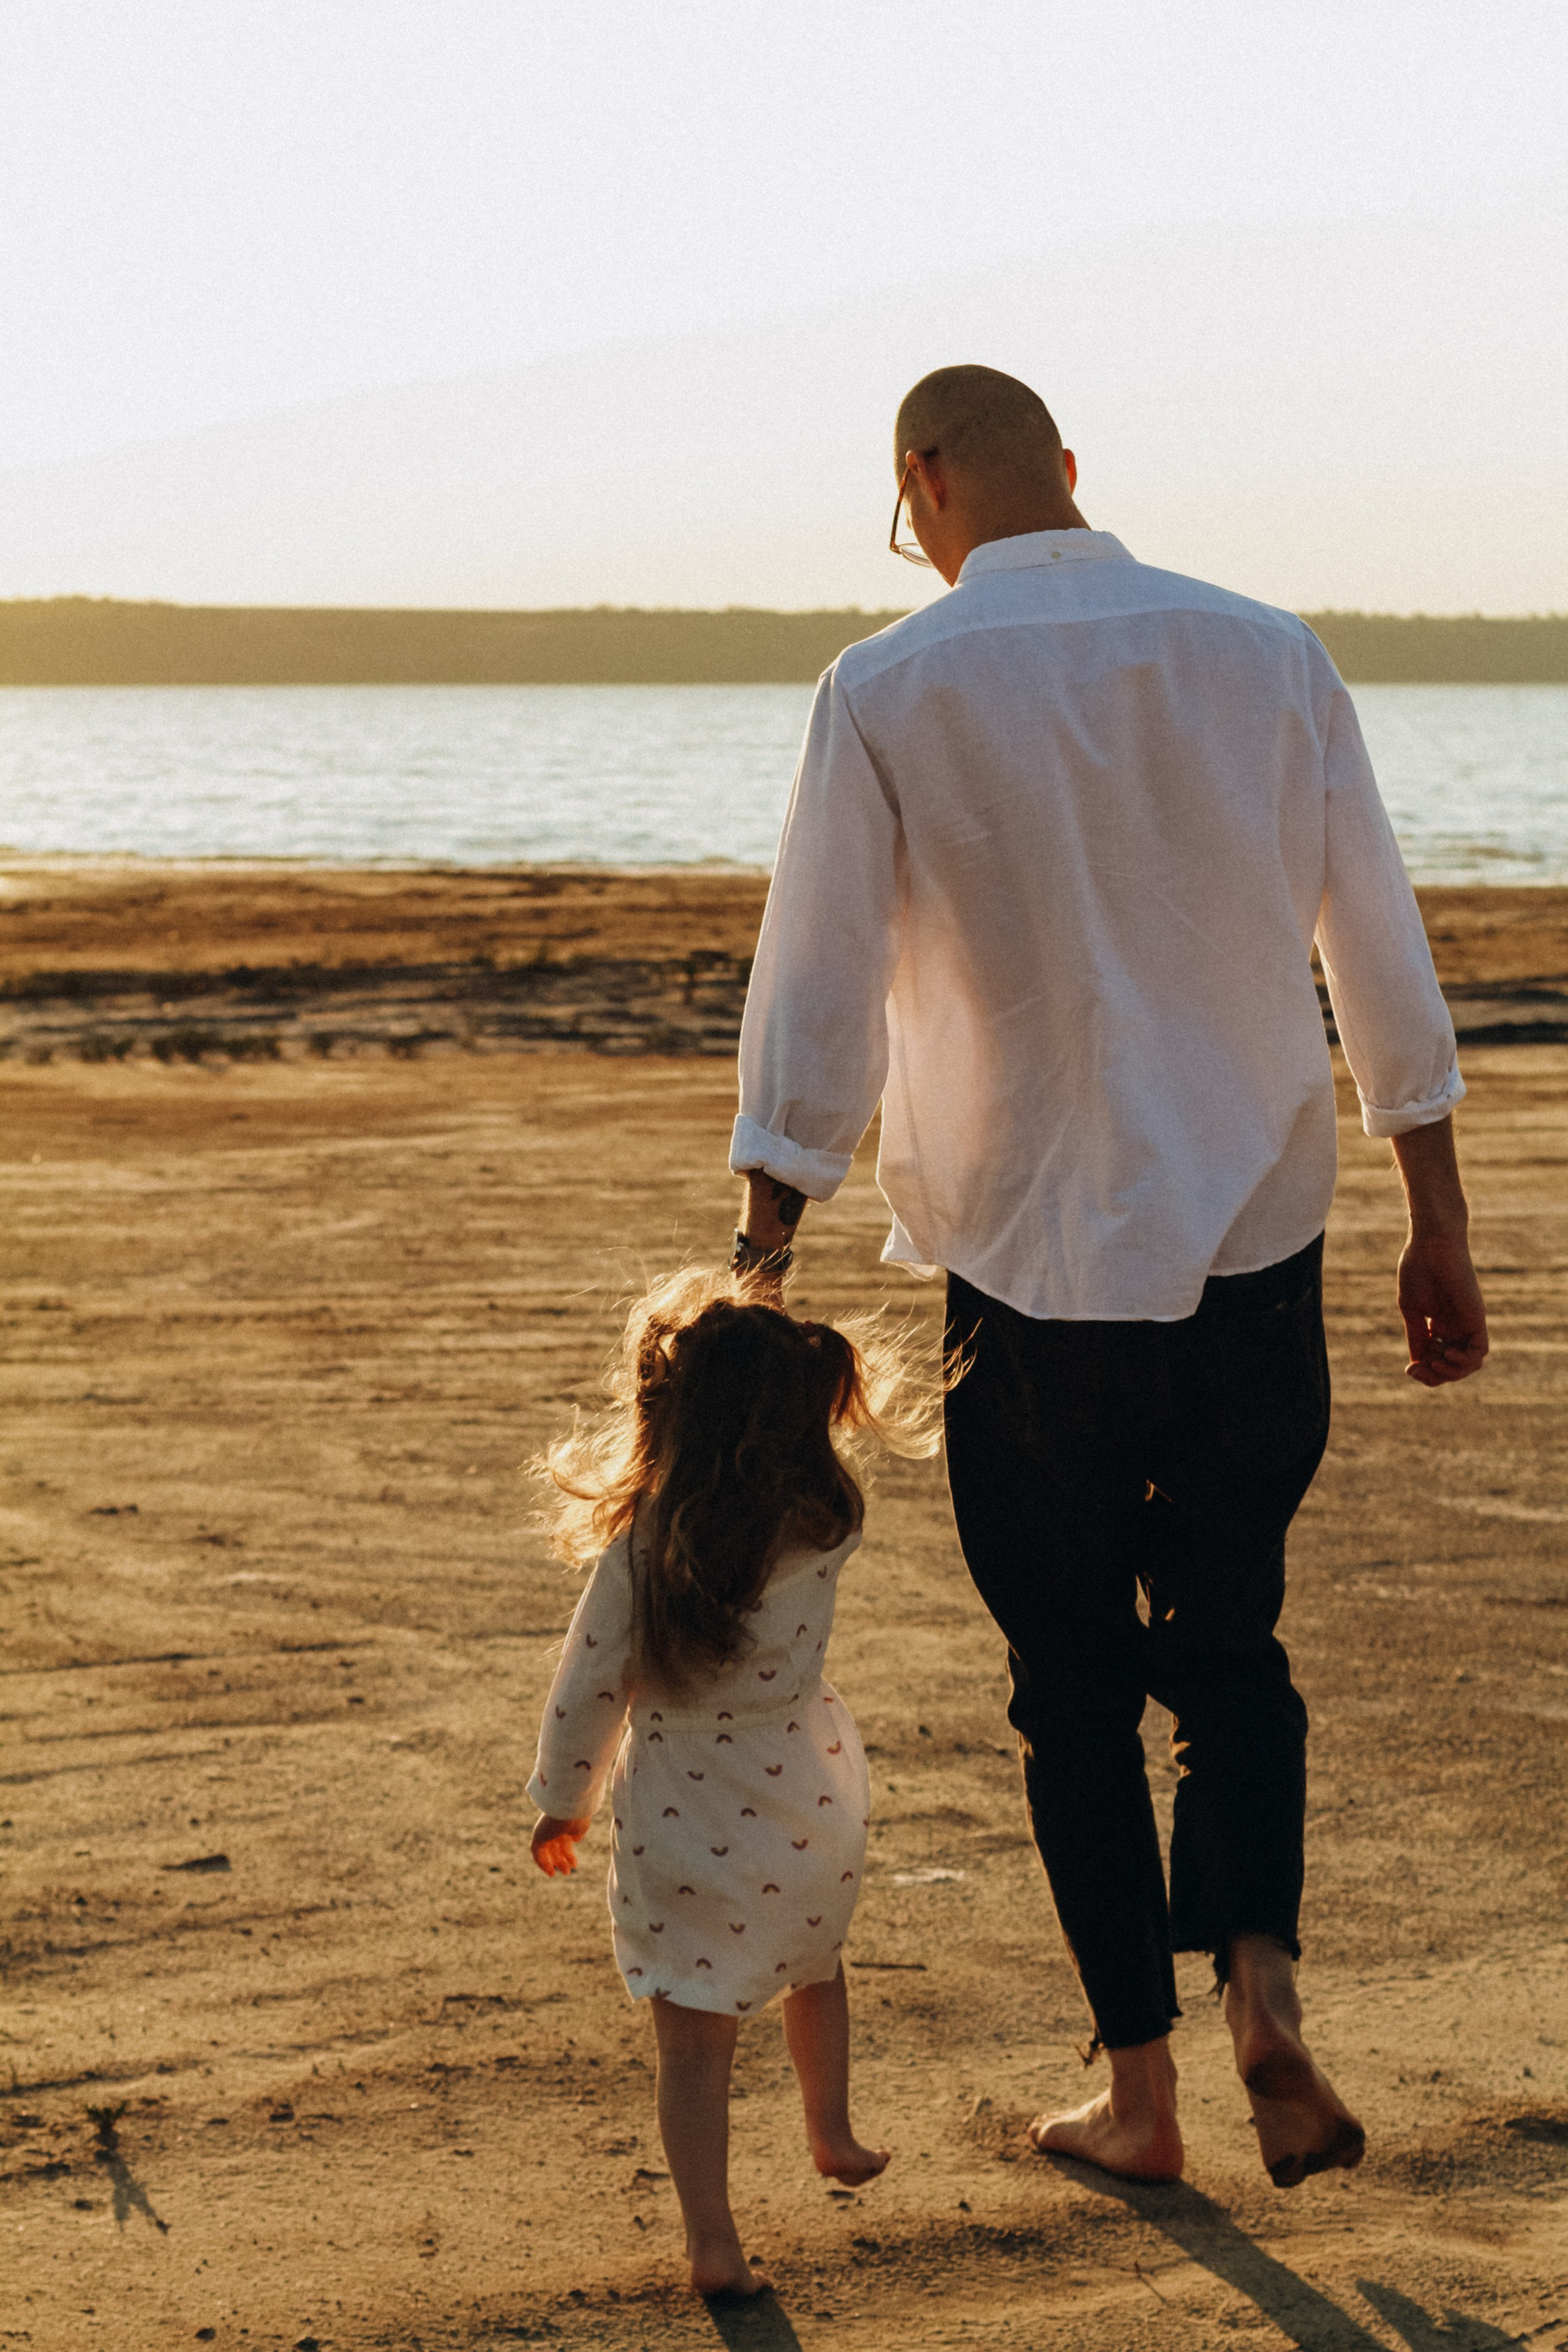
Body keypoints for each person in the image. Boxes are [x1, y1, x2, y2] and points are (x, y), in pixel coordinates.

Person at [726, 364, 1488, 2188]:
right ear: (1068, 471)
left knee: (1069, 1685)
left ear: (921, 487)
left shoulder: (889, 687)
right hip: (1257, 1245)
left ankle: (1141, 2102)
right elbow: (1373, 938)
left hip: (1025, 1266)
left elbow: (816, 987)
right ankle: (1268, 2002)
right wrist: (1435, 1213)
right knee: (1231, 1642)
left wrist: (762, 1255)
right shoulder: (1268, 655)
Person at [528, 1270, 932, 2296]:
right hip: (805, 1793)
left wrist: (562, 1804)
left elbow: (589, 1690)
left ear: (668, 1420)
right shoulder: (829, 1524)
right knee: (815, 1962)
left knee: (695, 2041)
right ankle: (830, 2129)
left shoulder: (643, 1553)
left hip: (682, 1809)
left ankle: (713, 2241)